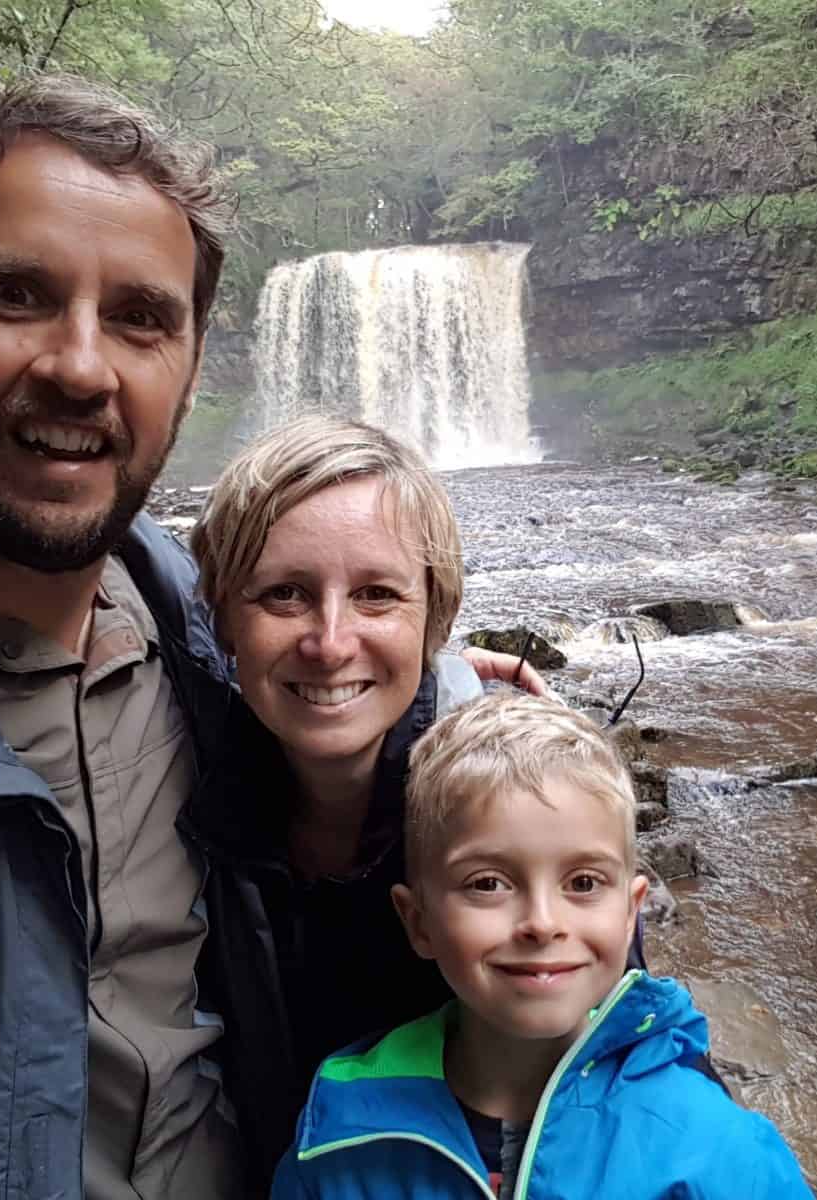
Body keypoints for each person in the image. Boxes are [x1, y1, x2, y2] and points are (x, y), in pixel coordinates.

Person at [0, 76, 529, 1199]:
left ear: (187, 364)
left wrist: (448, 692)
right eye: (16, 294)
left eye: (141, 317)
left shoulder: (199, 636)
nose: (82, 368)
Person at [188, 416, 575, 1186]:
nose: (329, 643)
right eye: (285, 594)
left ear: (433, 615)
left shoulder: (523, 805)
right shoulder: (176, 766)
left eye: (376, 595)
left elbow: (627, 1064)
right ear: (225, 616)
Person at [269, 692, 815, 1199]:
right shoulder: (341, 1129)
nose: (541, 923)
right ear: (418, 923)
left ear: (630, 912)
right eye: (488, 884)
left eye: (582, 883)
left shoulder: (716, 1151)